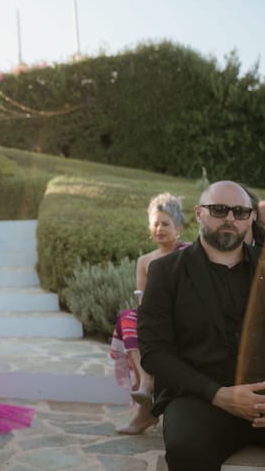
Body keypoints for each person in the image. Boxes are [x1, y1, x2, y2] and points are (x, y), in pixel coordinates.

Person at [138, 181, 265, 471]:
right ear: (198, 213)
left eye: (240, 212)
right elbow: (154, 352)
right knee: (187, 450)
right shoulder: (165, 272)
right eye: (219, 210)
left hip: (261, 396)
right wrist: (218, 394)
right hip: (197, 398)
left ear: (251, 218)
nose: (230, 218)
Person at [111, 192, 188, 435]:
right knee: (128, 317)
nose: (159, 228)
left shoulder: (187, 254)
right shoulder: (145, 261)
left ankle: (145, 411)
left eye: (165, 223)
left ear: (178, 228)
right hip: (153, 317)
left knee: (141, 324)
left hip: (182, 316)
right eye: (155, 223)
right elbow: (142, 299)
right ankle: (146, 381)